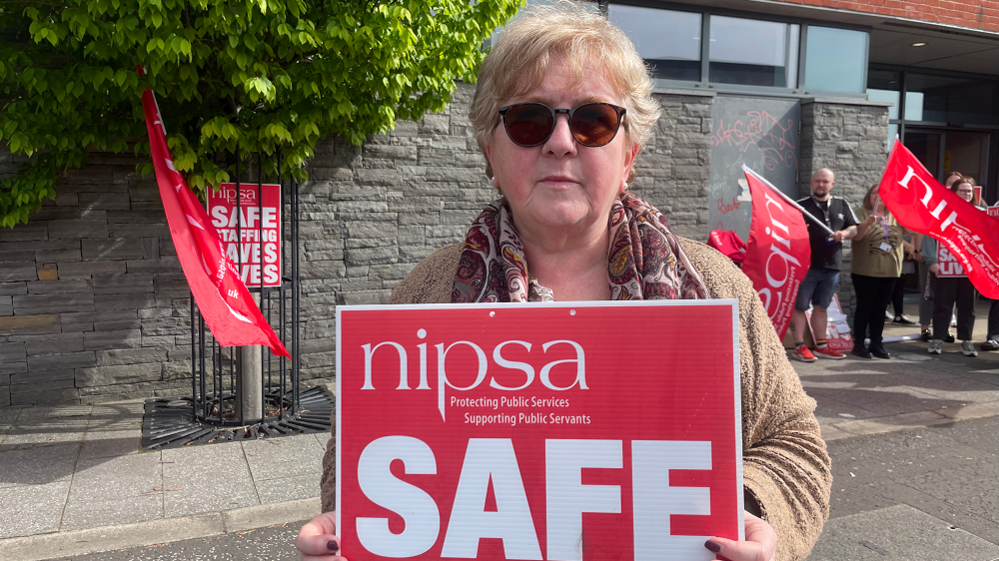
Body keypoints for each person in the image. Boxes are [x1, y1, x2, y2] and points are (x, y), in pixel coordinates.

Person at [296, 5, 831, 561]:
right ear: (489, 152)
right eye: (529, 119)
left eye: (592, 120)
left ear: (629, 154)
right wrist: (351, 528)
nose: (559, 142)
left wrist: (750, 512)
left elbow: (793, 443)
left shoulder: (719, 289)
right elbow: (355, 458)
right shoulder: (423, 296)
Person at [789, 169, 860, 362]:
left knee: (821, 307)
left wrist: (844, 234)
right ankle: (799, 346)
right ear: (812, 183)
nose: (821, 185)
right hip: (806, 266)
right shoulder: (799, 206)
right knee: (800, 306)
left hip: (832, 265)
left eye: (825, 181)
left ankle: (821, 346)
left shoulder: (842, 204)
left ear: (832, 184)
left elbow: (854, 227)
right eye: (818, 181)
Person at [922, 177, 979, 356]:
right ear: (953, 192)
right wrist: (933, 262)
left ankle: (966, 341)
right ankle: (938, 339)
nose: (966, 194)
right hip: (946, 269)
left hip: (969, 271)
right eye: (962, 191)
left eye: (969, 191)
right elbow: (930, 237)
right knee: (942, 305)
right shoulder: (941, 213)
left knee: (968, 306)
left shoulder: (980, 214)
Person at [850, 184, 905, 359]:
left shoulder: (895, 215)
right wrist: (867, 223)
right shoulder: (860, 213)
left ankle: (876, 343)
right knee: (865, 307)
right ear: (869, 196)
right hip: (866, 270)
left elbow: (914, 231)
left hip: (890, 270)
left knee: (880, 309)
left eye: (883, 194)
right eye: (875, 193)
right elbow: (856, 236)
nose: (879, 197)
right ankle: (858, 344)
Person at [918, 171, 965, 340]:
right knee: (929, 294)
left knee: (948, 298)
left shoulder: (968, 208)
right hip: (934, 258)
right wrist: (925, 254)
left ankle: (945, 329)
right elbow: (925, 229)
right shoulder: (935, 205)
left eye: (958, 185)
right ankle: (925, 327)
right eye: (951, 185)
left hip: (955, 263)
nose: (954, 188)